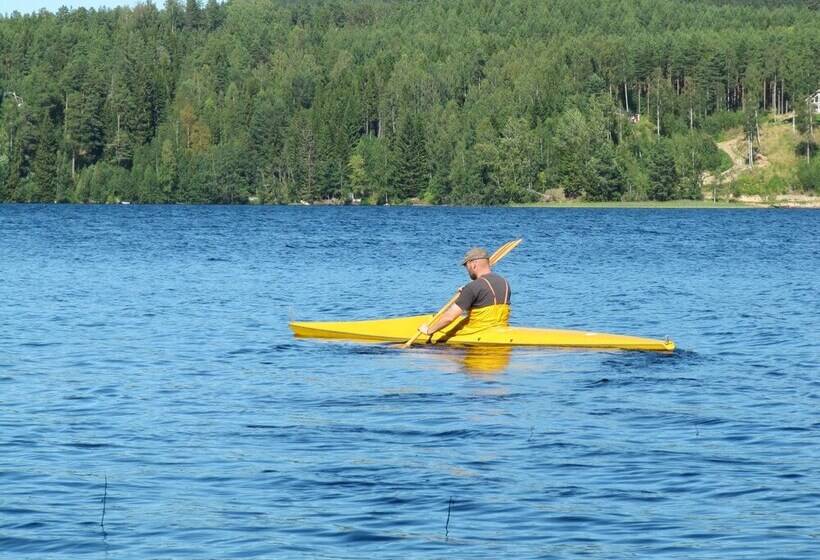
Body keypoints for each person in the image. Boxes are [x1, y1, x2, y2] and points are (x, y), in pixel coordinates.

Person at [419, 247, 511, 337]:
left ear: (473, 264)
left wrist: (429, 330)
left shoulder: (472, 287)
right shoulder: (504, 282)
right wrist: (466, 296)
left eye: (466, 265)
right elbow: (485, 305)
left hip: (476, 334)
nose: (467, 270)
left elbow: (449, 318)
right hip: (499, 330)